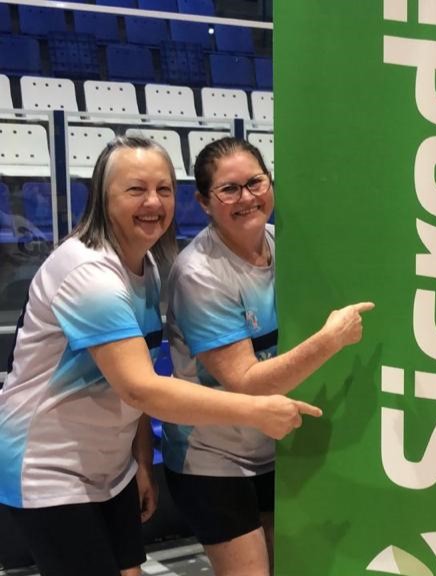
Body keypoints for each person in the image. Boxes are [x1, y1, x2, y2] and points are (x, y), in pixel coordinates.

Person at [0, 136, 324, 576]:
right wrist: (256, 410)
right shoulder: (89, 276)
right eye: (136, 189)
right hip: (47, 470)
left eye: (164, 189)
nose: (153, 202)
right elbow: (142, 388)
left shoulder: (146, 266)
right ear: (103, 197)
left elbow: (136, 380)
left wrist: (139, 462)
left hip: (106, 469)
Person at [163, 137, 374, 576]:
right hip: (212, 459)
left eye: (255, 182)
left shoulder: (285, 245)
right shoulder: (199, 274)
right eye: (229, 189)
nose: (246, 197)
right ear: (203, 202)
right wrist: (330, 340)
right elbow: (246, 382)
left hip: (275, 450)